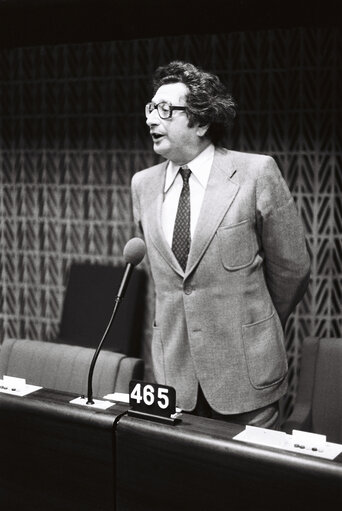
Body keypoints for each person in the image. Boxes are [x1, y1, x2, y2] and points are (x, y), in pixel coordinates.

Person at [131, 61, 310, 428]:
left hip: (245, 372)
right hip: (174, 376)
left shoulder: (256, 173)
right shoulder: (142, 185)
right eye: (151, 108)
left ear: (200, 122)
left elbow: (292, 268)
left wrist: (254, 323)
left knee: (244, 484)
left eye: (166, 110)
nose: (151, 119)